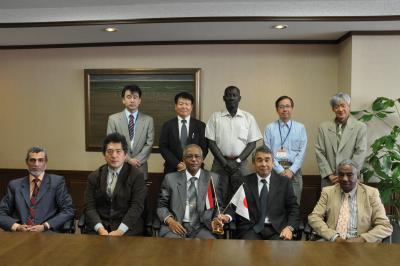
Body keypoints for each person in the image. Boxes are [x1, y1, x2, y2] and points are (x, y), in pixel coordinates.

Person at [219, 146, 300, 240]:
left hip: (277, 230)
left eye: (267, 160)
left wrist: (289, 228)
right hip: (251, 229)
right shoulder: (243, 182)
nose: (264, 164)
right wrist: (227, 216)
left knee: (280, 251)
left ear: (273, 163)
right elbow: (233, 206)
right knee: (247, 250)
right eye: (259, 160)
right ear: (253, 163)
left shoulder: (284, 182)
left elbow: (293, 208)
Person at [308, 159, 393, 242]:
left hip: (361, 244)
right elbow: (314, 217)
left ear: (358, 176)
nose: (345, 179)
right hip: (333, 241)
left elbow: (385, 226)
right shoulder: (328, 192)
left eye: (349, 175)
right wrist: (334, 237)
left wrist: (362, 239)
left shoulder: (371, 193)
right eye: (341, 174)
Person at [206, 86, 262, 205]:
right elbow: (211, 142)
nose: (231, 98)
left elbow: (252, 143)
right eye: (228, 95)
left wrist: (237, 161)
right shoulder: (215, 117)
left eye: (234, 95)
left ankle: (240, 222)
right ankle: (218, 220)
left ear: (239, 98)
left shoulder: (248, 118)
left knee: (244, 193)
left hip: (242, 163)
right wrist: (225, 163)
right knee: (216, 193)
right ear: (224, 98)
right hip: (220, 163)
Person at [84, 132, 147, 236]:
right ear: (104, 154)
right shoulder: (94, 177)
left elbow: (137, 206)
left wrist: (120, 230)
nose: (114, 155)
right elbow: (89, 206)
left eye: (118, 151)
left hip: (127, 228)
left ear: (125, 155)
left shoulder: (136, 175)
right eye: (110, 151)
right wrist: (100, 229)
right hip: (100, 227)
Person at [0, 147, 74, 232]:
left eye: (40, 160)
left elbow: (68, 210)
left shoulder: (57, 182)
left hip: (47, 233)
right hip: (19, 234)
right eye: (32, 160)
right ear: (27, 162)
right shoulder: (15, 185)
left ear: (46, 163)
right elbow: (1, 212)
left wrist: (45, 226)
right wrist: (17, 227)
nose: (36, 164)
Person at [157, 144, 223, 239]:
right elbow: (161, 206)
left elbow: (218, 206)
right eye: (189, 156)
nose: (193, 159)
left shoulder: (213, 179)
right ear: (183, 160)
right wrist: (170, 221)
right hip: (177, 225)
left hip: (203, 227)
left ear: (202, 159)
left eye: (197, 156)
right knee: (171, 247)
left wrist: (216, 219)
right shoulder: (170, 179)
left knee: (209, 246)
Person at [315, 92, 367, 187]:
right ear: (333, 109)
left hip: (352, 179)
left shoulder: (360, 127)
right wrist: (329, 174)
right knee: (330, 202)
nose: (340, 109)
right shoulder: (323, 127)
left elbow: (360, 152)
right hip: (330, 180)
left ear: (349, 106)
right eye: (336, 107)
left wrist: (346, 175)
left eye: (343, 106)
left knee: (351, 202)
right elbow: (319, 152)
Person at [263, 96, 307, 205]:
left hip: (295, 172)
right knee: (276, 204)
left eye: (287, 106)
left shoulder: (300, 128)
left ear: (292, 108)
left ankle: (292, 223)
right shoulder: (270, 128)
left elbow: (302, 152)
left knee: (295, 204)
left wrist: (291, 170)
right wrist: (280, 170)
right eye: (281, 107)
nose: (285, 109)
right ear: (277, 109)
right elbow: (267, 153)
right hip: (275, 171)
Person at [107, 84, 154, 180]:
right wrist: (128, 160)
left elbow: (149, 144)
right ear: (123, 100)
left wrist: (136, 161)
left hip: (140, 167)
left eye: (135, 97)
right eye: (129, 97)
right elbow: (111, 144)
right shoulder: (113, 119)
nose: (132, 100)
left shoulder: (148, 120)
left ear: (139, 100)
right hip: (119, 166)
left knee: (140, 194)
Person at [159, 92, 208, 174]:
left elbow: (204, 148)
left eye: (187, 104)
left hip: (195, 168)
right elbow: (163, 147)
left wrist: (191, 163)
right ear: (175, 106)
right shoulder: (167, 125)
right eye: (181, 104)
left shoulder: (200, 125)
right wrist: (177, 164)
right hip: (172, 168)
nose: (184, 107)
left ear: (191, 107)